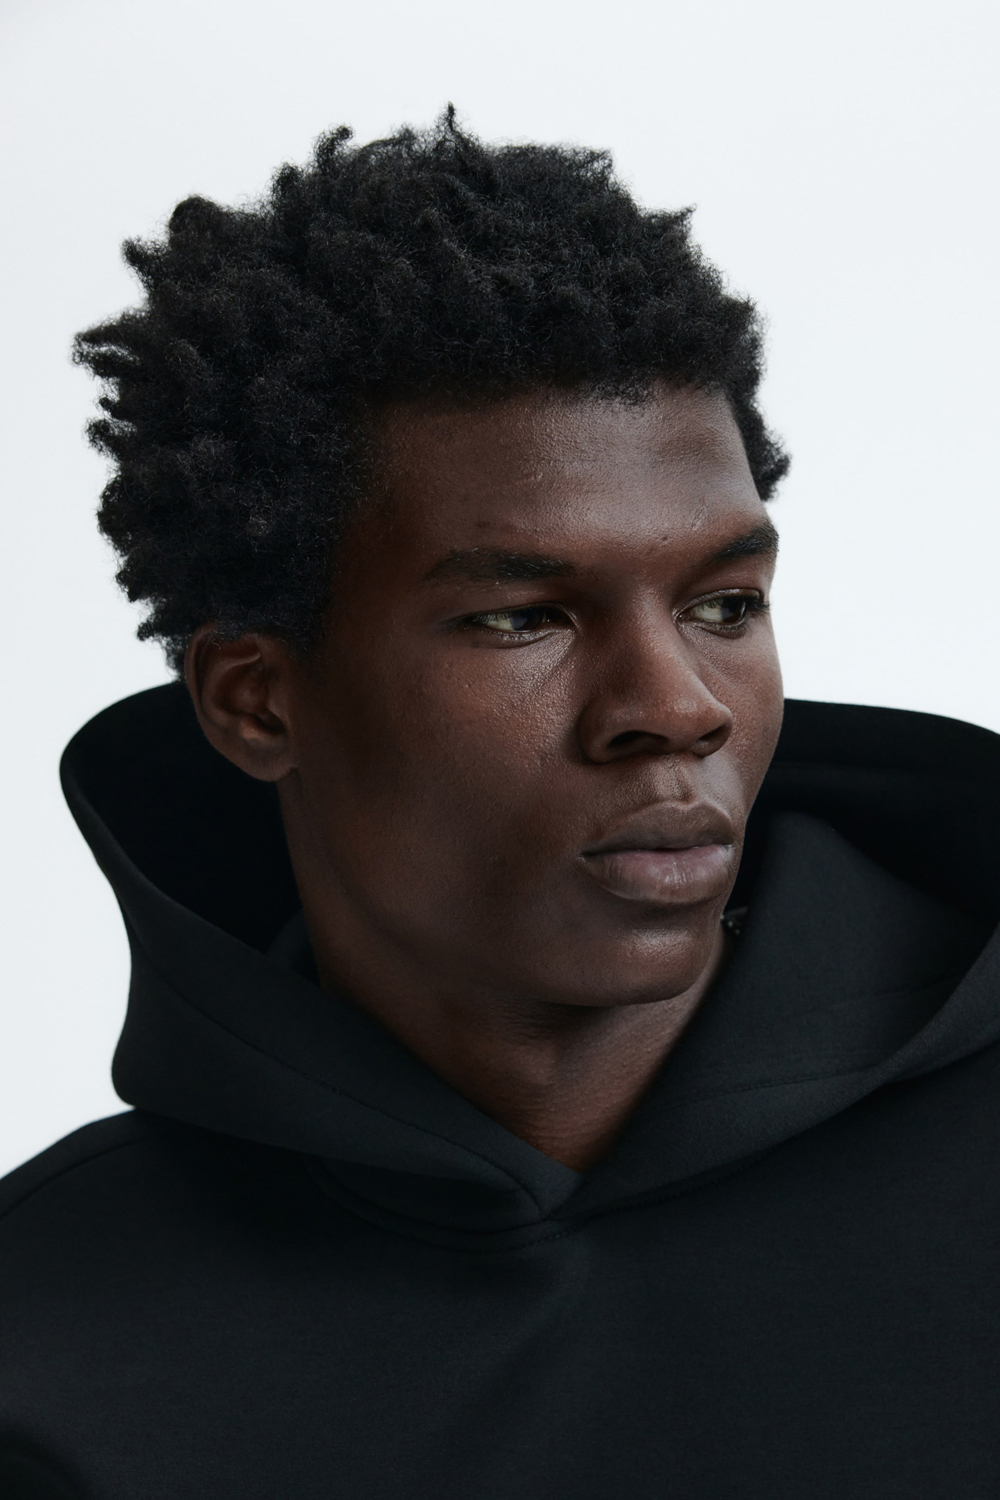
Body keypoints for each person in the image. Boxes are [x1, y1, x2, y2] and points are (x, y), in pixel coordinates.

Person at [2, 111, 999, 1500]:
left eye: (725, 604)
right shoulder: (45, 1344)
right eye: (521, 618)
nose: (678, 705)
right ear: (257, 702)